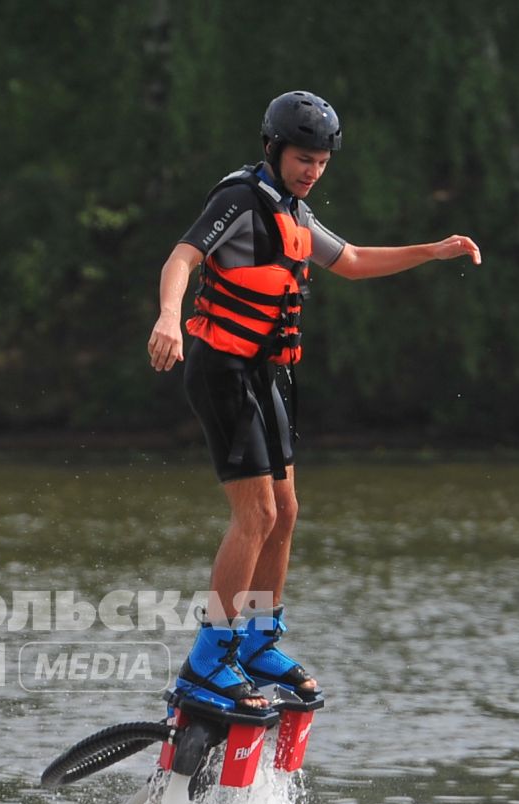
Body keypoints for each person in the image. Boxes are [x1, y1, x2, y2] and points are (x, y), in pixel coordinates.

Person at [147, 90, 481, 717]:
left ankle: (255, 641)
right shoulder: (240, 199)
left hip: (262, 373)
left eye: (322, 162)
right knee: (255, 517)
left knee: (287, 511)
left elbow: (351, 260)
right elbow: (182, 257)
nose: (312, 170)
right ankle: (206, 662)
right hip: (220, 369)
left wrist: (432, 251)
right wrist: (168, 316)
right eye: (303, 158)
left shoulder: (294, 212)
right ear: (274, 149)